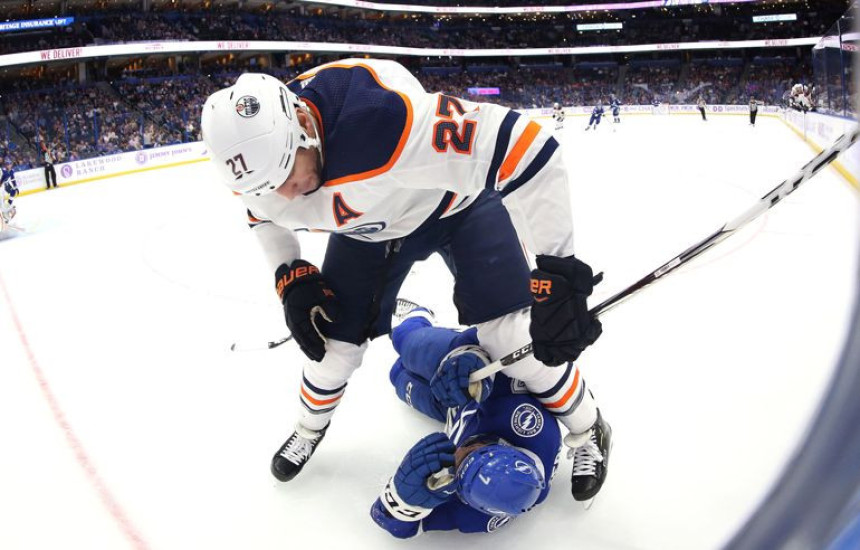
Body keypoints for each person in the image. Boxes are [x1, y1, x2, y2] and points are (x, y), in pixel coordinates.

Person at [200, 59, 605, 484]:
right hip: (369, 232)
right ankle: (308, 428)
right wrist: (290, 272)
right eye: (267, 186)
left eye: (286, 171)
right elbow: (262, 214)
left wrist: (560, 276)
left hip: (457, 206)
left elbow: (530, 147)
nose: (284, 194)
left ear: (303, 121)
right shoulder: (258, 162)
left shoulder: (382, 118)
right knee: (331, 350)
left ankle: (589, 426)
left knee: (512, 337)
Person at [370, 305, 612, 537]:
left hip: (450, 411)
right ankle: (418, 314)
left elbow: (399, 526)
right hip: (466, 387)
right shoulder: (528, 423)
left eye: (459, 467)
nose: (458, 452)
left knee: (397, 376)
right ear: (507, 446)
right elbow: (508, 350)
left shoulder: (476, 518)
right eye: (475, 449)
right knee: (405, 341)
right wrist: (471, 357)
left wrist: (400, 499)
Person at [1, 159, 19, 224]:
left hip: (7, 186)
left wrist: (16, 187)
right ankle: (7, 211)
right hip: (3, 187)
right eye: (7, 164)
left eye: (9, 164)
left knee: (12, 194)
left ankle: (9, 208)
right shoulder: (3, 170)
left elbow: (13, 180)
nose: (8, 165)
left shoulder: (12, 171)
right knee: (2, 201)